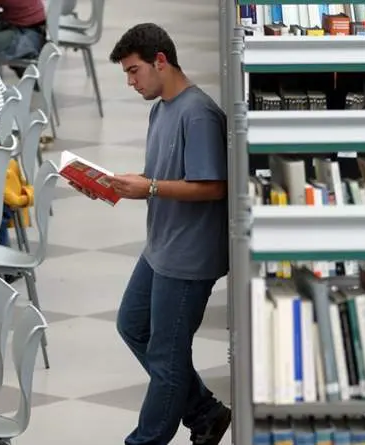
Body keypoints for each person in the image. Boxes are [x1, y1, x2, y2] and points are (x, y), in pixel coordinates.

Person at [106, 23, 232, 445]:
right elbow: (161, 176)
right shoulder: (161, 108)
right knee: (132, 325)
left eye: (134, 70)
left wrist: (152, 187)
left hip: (189, 256)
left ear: (161, 60)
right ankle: (205, 411)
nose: (131, 81)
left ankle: (145, 441)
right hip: (161, 245)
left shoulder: (199, 114)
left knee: (167, 356)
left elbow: (214, 185)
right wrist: (121, 184)